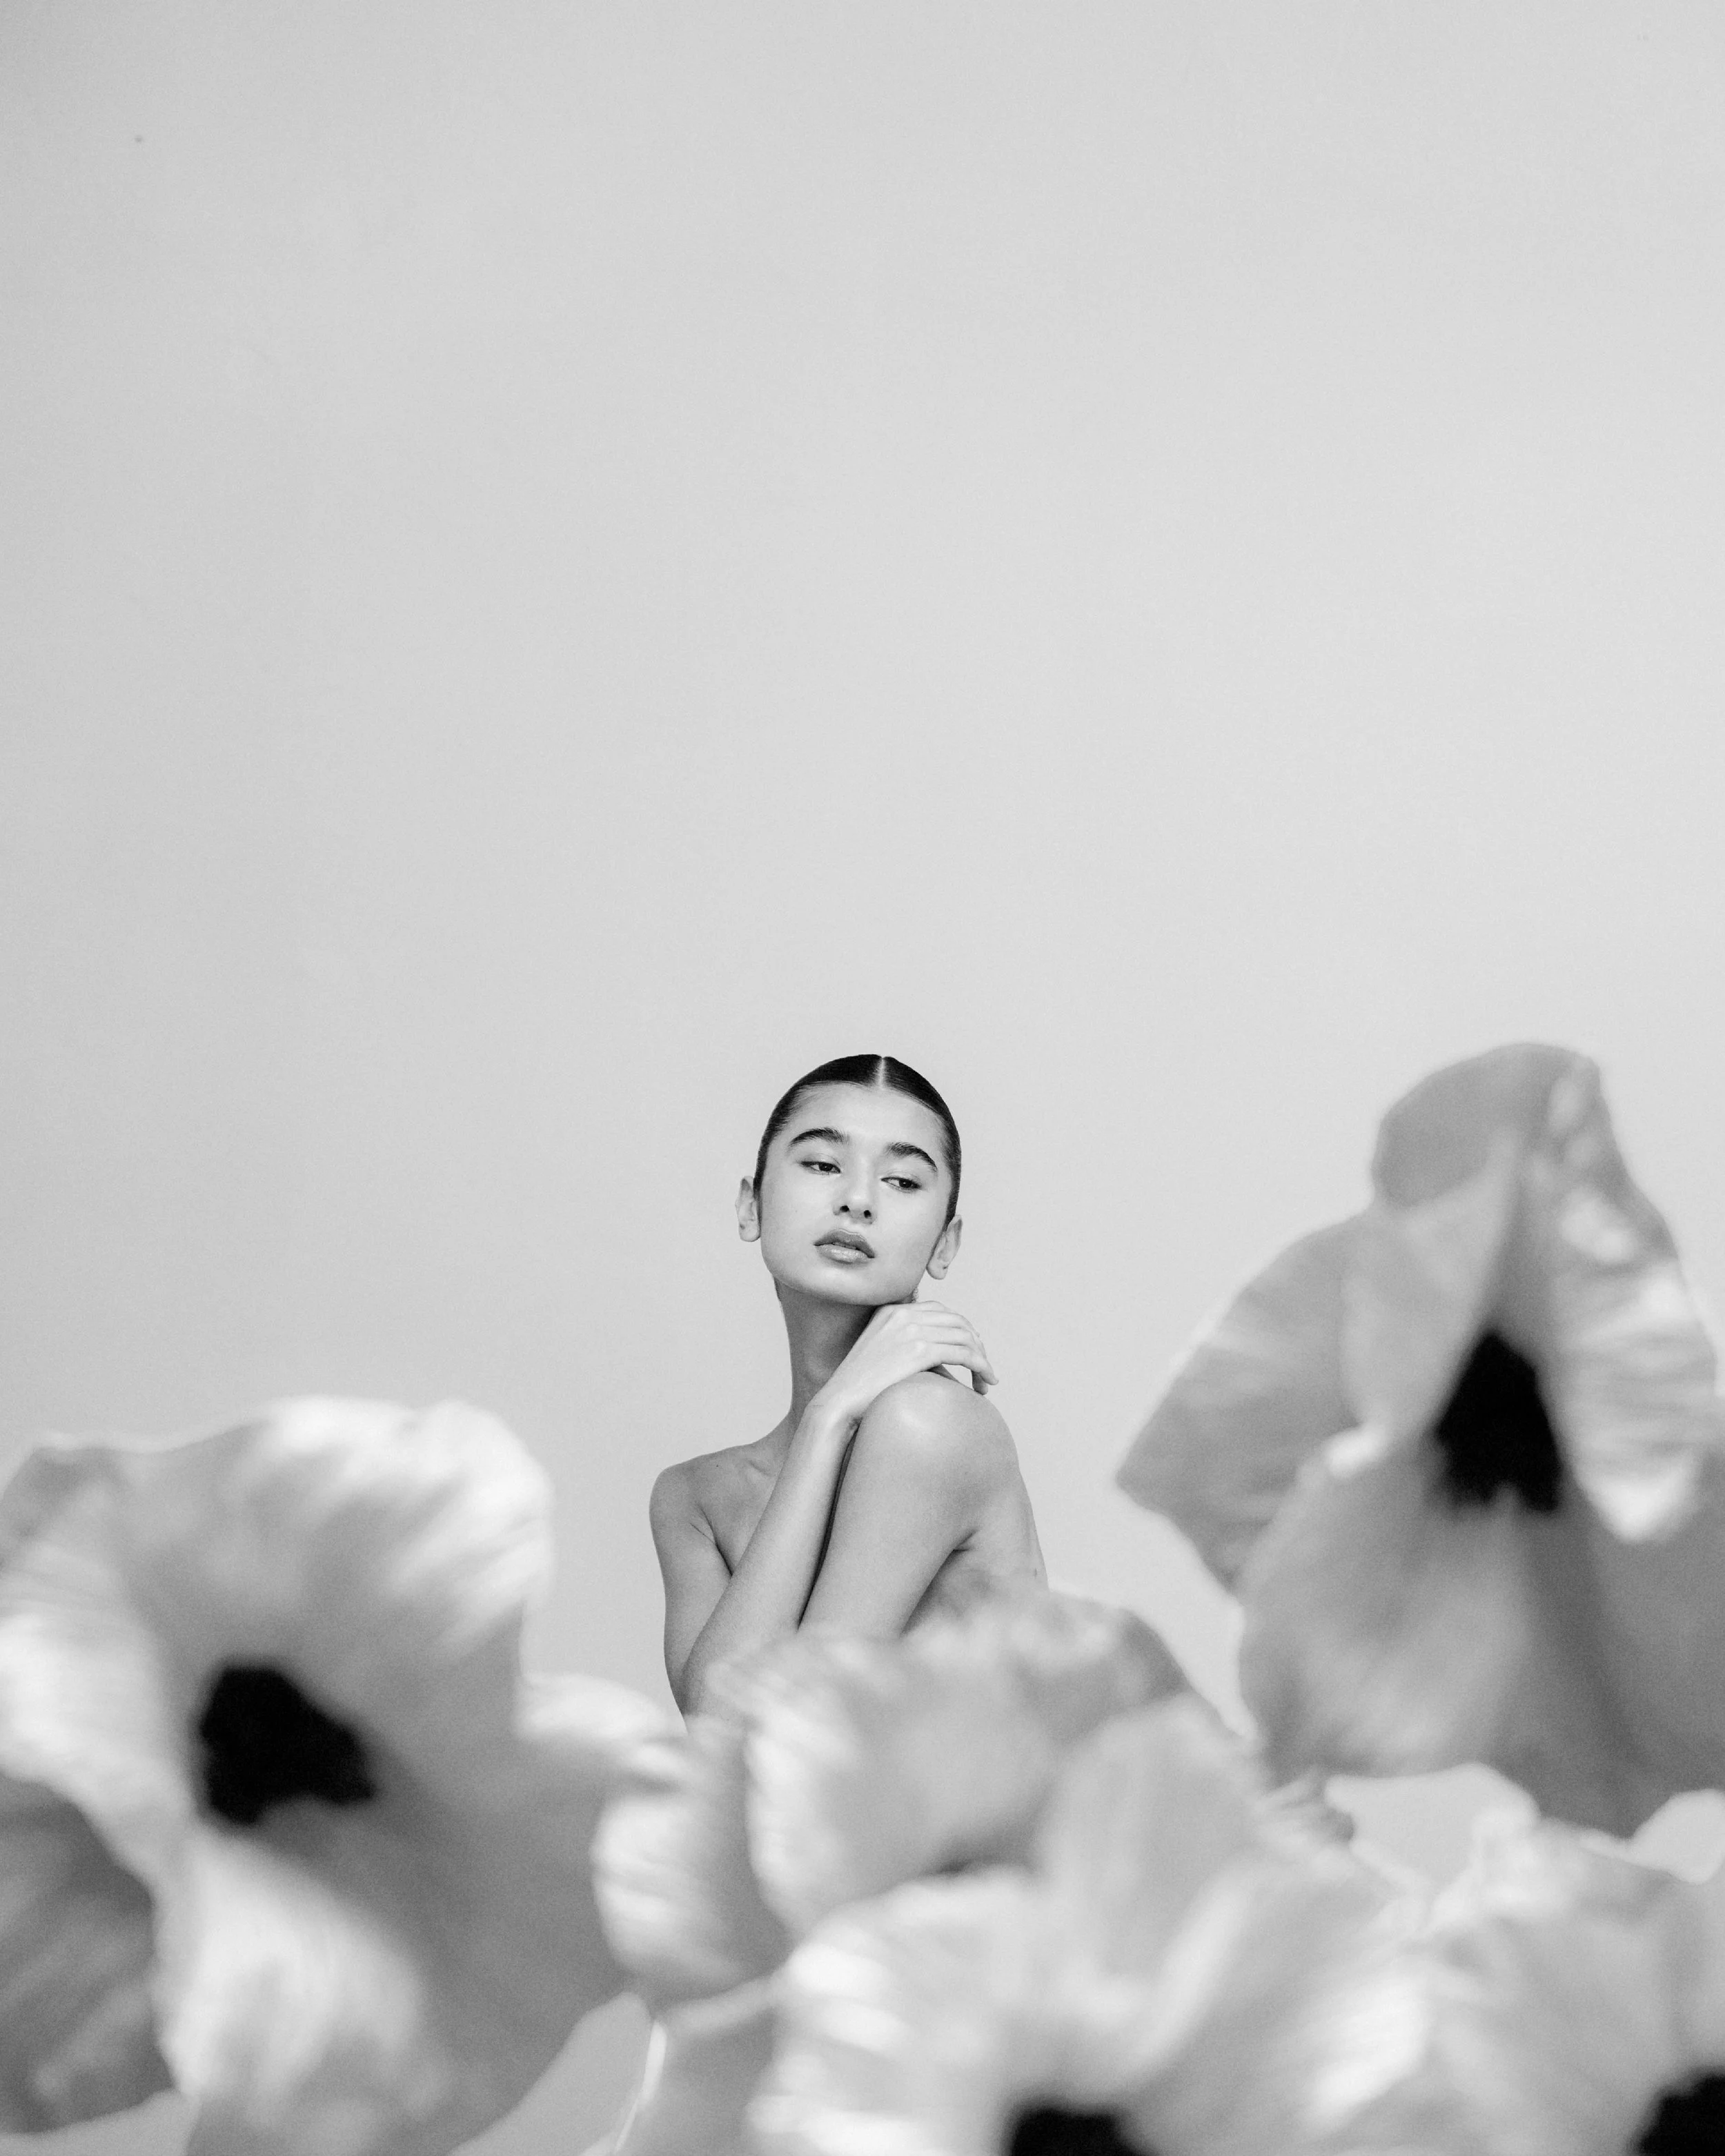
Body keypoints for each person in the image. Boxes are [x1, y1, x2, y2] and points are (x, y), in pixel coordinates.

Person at [651, 1053, 1045, 1715]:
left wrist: (831, 1411)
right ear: (751, 1206)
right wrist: (829, 1416)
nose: (857, 1199)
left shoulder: (931, 1426)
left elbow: (769, 1739)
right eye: (823, 1165)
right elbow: (717, 1742)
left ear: (944, 1246)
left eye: (901, 1180)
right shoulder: (695, 1499)